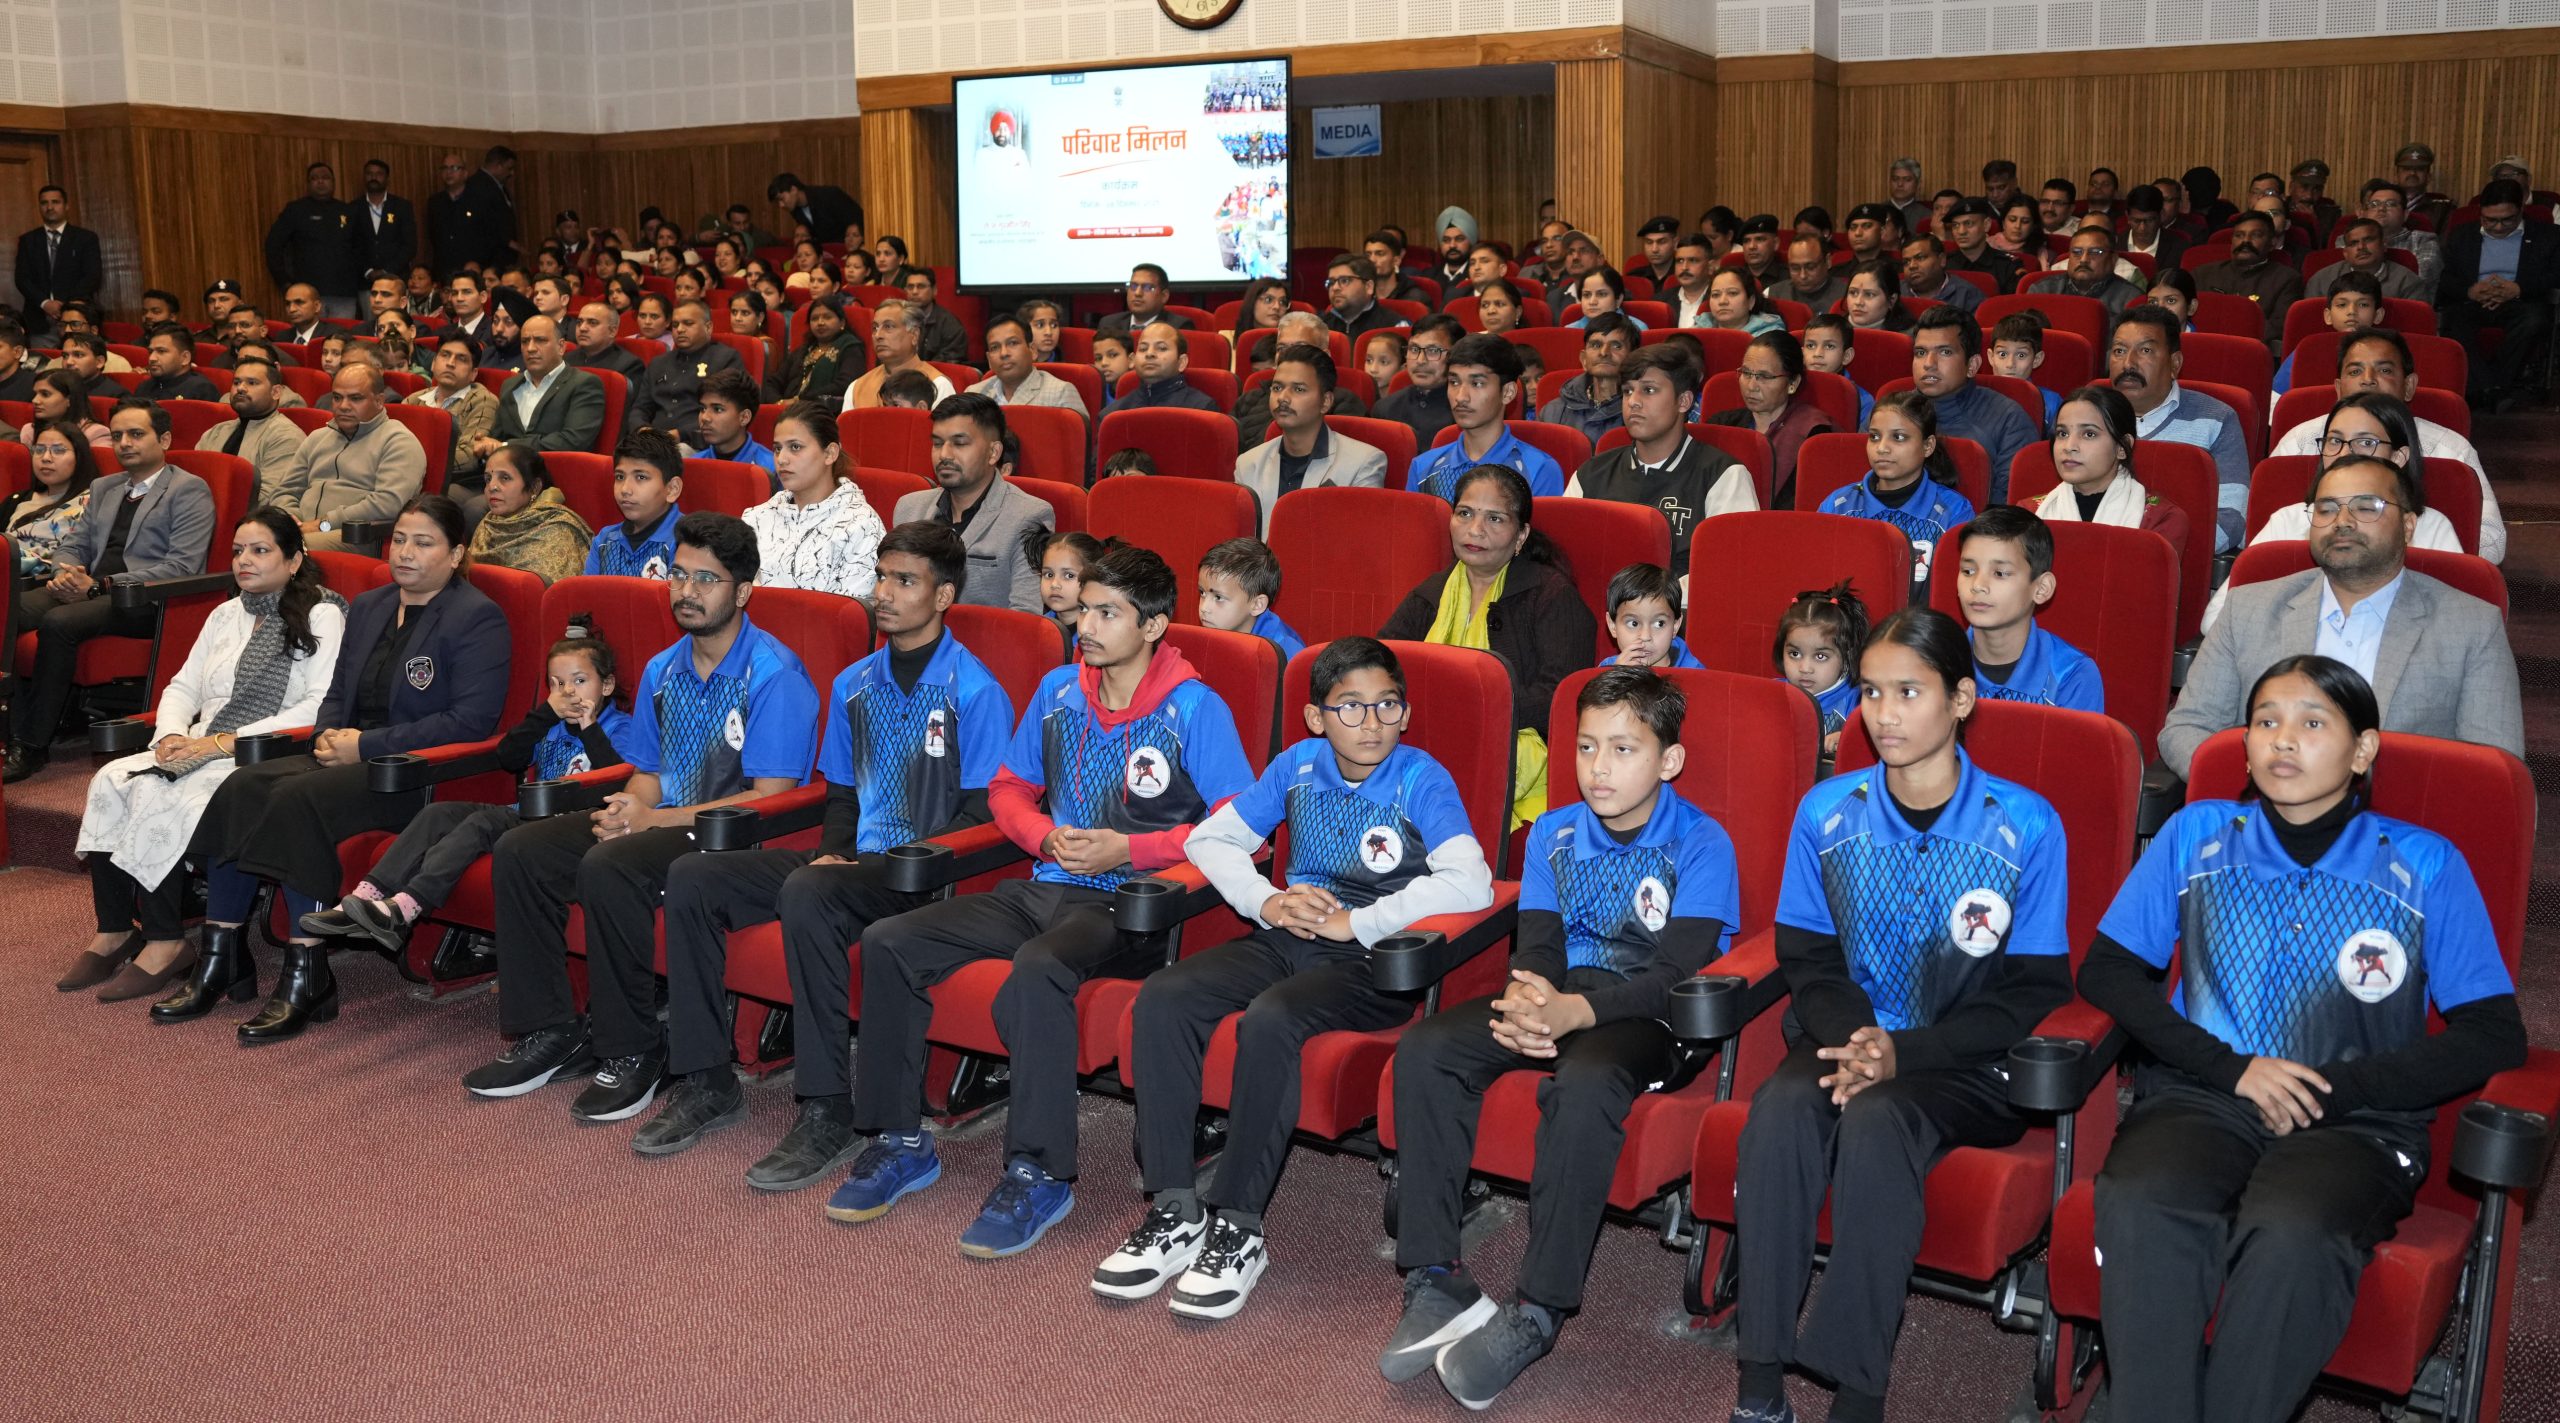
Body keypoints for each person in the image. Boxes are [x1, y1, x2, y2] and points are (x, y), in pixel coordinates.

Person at [2082, 654, 2526, 1423]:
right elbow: (2108, 971)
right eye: (2266, 721)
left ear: (2363, 750)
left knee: (2292, 1232)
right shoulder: (2195, 834)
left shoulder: (2423, 863)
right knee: (2142, 1198)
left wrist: (2336, 1088)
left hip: (2356, 1121)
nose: (2283, 738)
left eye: (2312, 722)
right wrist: (2233, 1068)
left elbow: (2493, 1033)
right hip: (2206, 1093)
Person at [829, 544, 1254, 1255]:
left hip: (1133, 905)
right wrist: (1044, 834)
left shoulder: (1194, 707)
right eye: (1084, 609)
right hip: (1046, 884)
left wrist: (1130, 850)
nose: (1086, 625)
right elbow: (1006, 788)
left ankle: (1039, 1171)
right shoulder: (1060, 690)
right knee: (891, 942)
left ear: (1153, 625)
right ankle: (899, 1139)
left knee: (1040, 965)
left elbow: (1240, 826)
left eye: (1107, 613)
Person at [1731, 605, 2072, 1423]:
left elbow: (2031, 990)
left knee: (1880, 1119)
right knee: (1780, 1110)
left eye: (1909, 692)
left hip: (1966, 1062)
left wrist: (1902, 1053)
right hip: (1846, 1035)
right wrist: (1860, 1040)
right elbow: (1808, 957)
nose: (1883, 713)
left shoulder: (2026, 823)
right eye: (1873, 691)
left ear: (1961, 699)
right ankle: (1760, 1383)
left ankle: (1858, 1394)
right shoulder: (1827, 811)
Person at [1101, 636, 1494, 1318]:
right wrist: (1267, 901)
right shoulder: (1297, 765)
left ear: (1404, 714)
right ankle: (1174, 1208)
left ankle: (1239, 1226)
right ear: (1316, 717)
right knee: (1165, 995)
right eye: (1350, 707)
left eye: (1387, 706)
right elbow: (1210, 839)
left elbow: (1472, 880)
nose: (1371, 723)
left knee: (1273, 1018)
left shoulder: (1419, 777)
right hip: (1286, 937)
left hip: (1372, 963)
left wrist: (1360, 921)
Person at [1383, 667, 1739, 1407]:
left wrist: (1575, 1011)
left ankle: (1539, 1309)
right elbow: (1541, 945)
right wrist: (1528, 993)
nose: (1598, 767)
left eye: (1622, 749)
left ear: (1668, 760)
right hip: (1562, 1000)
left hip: (1651, 1022)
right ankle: (1436, 1276)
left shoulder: (1702, 842)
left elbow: (1675, 975)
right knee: (1428, 1048)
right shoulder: (1553, 830)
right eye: (1585, 747)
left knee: (1585, 1081)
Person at [637, 520, 1016, 1174]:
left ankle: (828, 1108)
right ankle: (706, 1079)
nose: (884, 593)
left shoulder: (975, 690)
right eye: (881, 577)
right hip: (853, 864)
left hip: (926, 876)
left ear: (944, 596)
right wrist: (836, 850)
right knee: (696, 876)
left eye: (905, 581)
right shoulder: (853, 683)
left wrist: (884, 863)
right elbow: (840, 794)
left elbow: (983, 812)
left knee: (810, 889)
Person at [463, 512, 821, 1116]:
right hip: (665, 823)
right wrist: (628, 807)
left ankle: (634, 1048)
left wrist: (650, 823)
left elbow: (770, 797)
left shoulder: (774, 674)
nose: (687, 590)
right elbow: (652, 773)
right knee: (523, 850)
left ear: (742, 591)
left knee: (612, 864)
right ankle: (551, 1028)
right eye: (678, 575)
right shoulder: (663, 668)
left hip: (736, 841)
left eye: (706, 579)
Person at [159, 496, 508, 1035]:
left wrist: (364, 746)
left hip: (410, 774)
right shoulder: (369, 605)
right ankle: (221, 955)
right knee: (243, 785)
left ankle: (309, 973)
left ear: (456, 554)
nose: (405, 553)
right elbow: (337, 691)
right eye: (399, 540)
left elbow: (470, 722)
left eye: (424, 543)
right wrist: (325, 735)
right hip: (344, 754)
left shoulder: (476, 617)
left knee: (295, 800)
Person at [65, 510, 348, 1000]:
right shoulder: (225, 613)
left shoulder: (322, 613)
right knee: (111, 779)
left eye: (260, 550)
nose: (244, 560)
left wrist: (222, 742)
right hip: (201, 742)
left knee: (162, 792)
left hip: (264, 750)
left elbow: (316, 705)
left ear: (294, 560)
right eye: (238, 551)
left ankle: (166, 941)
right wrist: (171, 735)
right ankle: (115, 929)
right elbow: (183, 686)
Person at [2157, 454, 2520, 781]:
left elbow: (2494, 769)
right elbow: (2188, 728)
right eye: (2326, 508)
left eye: (2366, 506)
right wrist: (2261, 787)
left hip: (2398, 825)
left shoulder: (2472, 627)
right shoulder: (2248, 609)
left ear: (2408, 526)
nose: (2342, 521)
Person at [297, 635, 637, 960]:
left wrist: (590, 728)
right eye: (557, 684)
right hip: (526, 813)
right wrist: (545, 714)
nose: (568, 692)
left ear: (606, 685)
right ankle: (363, 898)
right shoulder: (549, 722)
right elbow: (510, 756)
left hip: (565, 828)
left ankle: (405, 908)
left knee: (481, 822)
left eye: (579, 681)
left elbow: (616, 779)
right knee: (438, 813)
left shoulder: (621, 727)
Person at [5, 401, 217, 781]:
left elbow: (182, 567)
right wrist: (66, 573)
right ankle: (13, 725)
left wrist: (99, 586)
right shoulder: (105, 487)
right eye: (117, 435)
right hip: (88, 589)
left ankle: (32, 745)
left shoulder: (188, 489)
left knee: (59, 622)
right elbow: (73, 545)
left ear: (164, 439)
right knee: (7, 610)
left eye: (136, 434)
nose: (124, 443)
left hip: (145, 601)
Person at [1382, 465, 1590, 827]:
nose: (1475, 529)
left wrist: (1469, 713)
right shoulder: (1430, 594)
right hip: (1427, 738)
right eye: (1464, 513)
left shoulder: (1552, 597)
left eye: (1494, 518)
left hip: (1518, 749)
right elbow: (1376, 665)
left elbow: (1561, 695)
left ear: (1521, 534)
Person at [2270, 328, 2501, 562]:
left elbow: (2491, 542)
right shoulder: (2299, 441)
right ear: (2338, 388)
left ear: (2409, 385)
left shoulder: (2451, 449)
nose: (2367, 379)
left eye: (2384, 370)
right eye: (2355, 371)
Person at [1563, 345, 1750, 574]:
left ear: (1683, 401)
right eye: (1627, 391)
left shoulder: (1724, 476)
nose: (1633, 401)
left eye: (1649, 390)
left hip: (1682, 597)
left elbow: (1729, 570)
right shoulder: (1590, 475)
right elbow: (1564, 559)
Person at [886, 393, 1054, 613]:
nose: (944, 454)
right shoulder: (909, 509)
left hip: (988, 635)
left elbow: (1025, 615)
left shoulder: (1028, 516)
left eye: (959, 443)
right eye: (937, 443)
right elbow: (887, 594)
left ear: (993, 452)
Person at [2103, 305, 2252, 552]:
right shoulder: (2086, 415)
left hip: (2178, 561)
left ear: (2175, 363)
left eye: (2145, 350)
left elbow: (2230, 520)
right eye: (2119, 350)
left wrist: (2148, 553)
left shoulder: (2216, 420)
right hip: (2094, 552)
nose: (2128, 363)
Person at [1818, 390, 1977, 600]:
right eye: (1874, 437)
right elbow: (1819, 581)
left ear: (1928, 446)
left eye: (1899, 437)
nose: (1882, 448)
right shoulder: (1838, 506)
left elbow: (1951, 594)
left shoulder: (1954, 512)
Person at [1951, 504, 2103, 712]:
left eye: (2000, 573)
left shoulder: (2071, 675)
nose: (1977, 585)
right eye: (1968, 571)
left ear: (2041, 588)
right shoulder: (1938, 665)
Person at [271, 361, 427, 553]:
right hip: (305, 530)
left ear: (379, 401)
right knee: (252, 538)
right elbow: (285, 491)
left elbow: (388, 504)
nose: (343, 406)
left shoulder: (399, 441)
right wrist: (293, 520)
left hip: (356, 535)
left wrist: (323, 524)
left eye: (355, 398)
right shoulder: (317, 437)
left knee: (278, 548)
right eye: (337, 398)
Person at [1232, 343, 1385, 535]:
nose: (1283, 398)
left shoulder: (1363, 463)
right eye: (1277, 387)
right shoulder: (1248, 463)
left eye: (1299, 389)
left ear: (1326, 402)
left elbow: (1358, 540)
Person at [2035, 385, 2191, 570]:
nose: (2069, 446)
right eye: (2062, 433)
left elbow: (2146, 586)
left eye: (2089, 434)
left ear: (2122, 447)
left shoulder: (2161, 520)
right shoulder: (2028, 514)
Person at [2437, 178, 2557, 411]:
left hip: (2522, 302)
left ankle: (2485, 389)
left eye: (2507, 219)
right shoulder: (2462, 235)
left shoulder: (2548, 235)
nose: (2499, 227)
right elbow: (2446, 280)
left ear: (2521, 210)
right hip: (2473, 301)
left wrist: (2519, 289)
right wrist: (2470, 291)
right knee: (2453, 321)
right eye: (2490, 220)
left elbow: (2555, 276)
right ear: (2480, 213)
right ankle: (2495, 390)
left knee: (2534, 321)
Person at [745, 400, 886, 597]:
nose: (781, 459)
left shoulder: (861, 526)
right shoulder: (756, 518)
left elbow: (850, 611)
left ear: (830, 453)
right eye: (777, 448)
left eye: (795, 447)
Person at [1405, 335, 1562, 502]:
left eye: (1477, 384)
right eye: (1454, 382)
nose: (1461, 397)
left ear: (1508, 392)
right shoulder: (1423, 467)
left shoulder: (1539, 470)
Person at [1908, 307, 2035, 503]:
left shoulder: (2009, 420)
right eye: (1921, 352)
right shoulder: (1890, 411)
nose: (1929, 363)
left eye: (1945, 352)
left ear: (1973, 365)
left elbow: (2007, 510)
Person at [1706, 331, 1836, 507]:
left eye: (1764, 377)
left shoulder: (1812, 432)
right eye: (1746, 373)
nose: (1751, 386)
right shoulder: (1721, 425)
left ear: (1793, 383)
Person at [482, 314, 606, 462]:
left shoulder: (584, 384)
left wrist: (506, 446)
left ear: (561, 347)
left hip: (556, 471)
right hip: (504, 471)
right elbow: (496, 437)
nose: (530, 348)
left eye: (540, 340)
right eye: (525, 341)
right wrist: (486, 446)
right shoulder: (510, 385)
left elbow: (572, 440)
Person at [466, 443, 591, 584]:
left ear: (534, 487)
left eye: (505, 478)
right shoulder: (488, 524)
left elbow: (557, 594)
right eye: (488, 479)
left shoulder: (557, 528)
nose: (491, 487)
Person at [629, 299, 746, 448]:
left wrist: (680, 434)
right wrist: (642, 429)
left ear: (708, 327)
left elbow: (724, 411)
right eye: (675, 325)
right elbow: (640, 408)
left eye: (688, 324)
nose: (680, 329)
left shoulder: (725, 359)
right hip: (654, 441)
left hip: (696, 441)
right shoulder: (658, 363)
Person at [1773, 580, 1869, 755]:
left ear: (1847, 655)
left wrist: (1849, 739)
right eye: (1794, 654)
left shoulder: (1858, 701)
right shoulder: (1773, 693)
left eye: (1820, 656)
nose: (1805, 668)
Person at [194, 357, 304, 501]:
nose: (240, 388)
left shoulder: (287, 437)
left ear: (276, 392)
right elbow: (192, 484)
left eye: (252, 383)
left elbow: (268, 499)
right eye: (236, 382)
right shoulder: (216, 432)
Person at [263, 162, 362, 319]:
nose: (320, 181)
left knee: (342, 333)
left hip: (343, 293)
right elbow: (274, 245)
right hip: (306, 293)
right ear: (308, 184)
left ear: (333, 182)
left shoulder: (348, 211)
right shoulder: (296, 210)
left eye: (325, 178)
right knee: (309, 333)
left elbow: (360, 249)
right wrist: (284, 281)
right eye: (314, 178)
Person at [583, 428, 686, 577]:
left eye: (641, 477)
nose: (625, 489)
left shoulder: (687, 542)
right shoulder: (604, 540)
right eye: (620, 477)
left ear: (672, 489)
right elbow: (588, 592)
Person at [2193, 211, 2304, 346]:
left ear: (2272, 243)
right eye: (2239, 235)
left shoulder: (2286, 279)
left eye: (2255, 235)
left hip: (2251, 350)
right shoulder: (2203, 274)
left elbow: (2278, 326)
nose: (2245, 241)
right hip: (2202, 345)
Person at [409, 331, 498, 497]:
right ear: (433, 364)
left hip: (458, 483)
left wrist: (410, 461)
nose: (450, 363)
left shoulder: (482, 400)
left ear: (473, 373)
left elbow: (469, 457)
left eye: (461, 359)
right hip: (408, 475)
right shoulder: (413, 400)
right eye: (445, 355)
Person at [1193, 536, 1303, 662]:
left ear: (1257, 605)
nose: (1204, 608)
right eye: (1202, 593)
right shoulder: (1214, 632)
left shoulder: (1284, 655)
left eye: (1218, 597)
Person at [2274, 270, 2384, 393]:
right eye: (2342, 305)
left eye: (2363, 305)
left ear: (2378, 315)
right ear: (2328, 316)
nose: (2352, 311)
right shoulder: (2308, 350)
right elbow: (2276, 397)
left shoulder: (2388, 351)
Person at [15, 184, 102, 338]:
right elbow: (22, 279)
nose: (50, 207)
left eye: (55, 202)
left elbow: (92, 276)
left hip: (77, 319)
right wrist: (45, 303)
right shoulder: (28, 240)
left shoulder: (85, 238)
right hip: (38, 320)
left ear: (66, 206)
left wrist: (64, 304)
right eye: (44, 203)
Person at [841, 300, 955, 411]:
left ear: (914, 335)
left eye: (888, 327)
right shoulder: (857, 388)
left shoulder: (937, 385)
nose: (878, 335)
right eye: (875, 328)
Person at [2026, 224, 2144, 321]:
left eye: (2095, 252)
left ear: (2113, 259)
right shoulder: (2042, 290)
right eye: (2076, 252)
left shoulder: (2131, 299)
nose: (2083, 259)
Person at [1375, 314, 1461, 446]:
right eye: (1414, 349)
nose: (1420, 360)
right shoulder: (1385, 409)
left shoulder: (1466, 411)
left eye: (1433, 350)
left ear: (1455, 355)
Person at [1103, 319, 1219, 417]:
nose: (1149, 354)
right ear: (1133, 360)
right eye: (1143, 349)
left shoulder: (1202, 409)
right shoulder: (1113, 414)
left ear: (1181, 362)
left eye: (1162, 348)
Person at [968, 313, 1083, 411]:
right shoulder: (974, 394)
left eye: (1012, 343)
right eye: (995, 347)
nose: (1004, 353)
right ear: (989, 359)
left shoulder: (1060, 393)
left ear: (1033, 350)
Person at [1600, 562, 1704, 669]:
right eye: (1634, 623)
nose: (1645, 637)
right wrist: (1616, 676)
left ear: (1675, 626)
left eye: (1659, 624)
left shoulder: (1694, 672)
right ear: (1612, 626)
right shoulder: (1606, 669)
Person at [769, 295, 866, 406]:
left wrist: (800, 400)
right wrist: (778, 402)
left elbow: (845, 385)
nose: (820, 322)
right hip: (788, 409)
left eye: (827, 317)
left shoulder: (850, 347)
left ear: (842, 323)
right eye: (814, 319)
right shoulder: (803, 350)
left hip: (823, 410)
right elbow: (773, 382)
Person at [2308, 217, 2427, 302]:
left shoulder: (2408, 282)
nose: (2361, 247)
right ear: (2345, 253)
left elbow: (2415, 325)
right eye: (2353, 243)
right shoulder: (2321, 280)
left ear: (2384, 245)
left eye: (2368, 240)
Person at [1022, 527, 1101, 655]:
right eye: (1048, 574)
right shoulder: (1036, 628)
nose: (1054, 584)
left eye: (1069, 575)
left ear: (1093, 579)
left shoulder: (1100, 633)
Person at [688, 369, 773, 478]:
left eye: (718, 409)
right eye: (703, 409)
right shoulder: (694, 465)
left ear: (744, 417)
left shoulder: (771, 468)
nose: (705, 417)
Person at [1987, 314, 2063, 427]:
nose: (2010, 364)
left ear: (2037, 359)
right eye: (2002, 354)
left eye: (2021, 355)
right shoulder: (1975, 398)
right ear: (1991, 357)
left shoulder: (2051, 404)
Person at [768, 173, 861, 255]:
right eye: (777, 202)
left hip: (850, 250)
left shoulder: (830, 195)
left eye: (782, 199)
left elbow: (858, 219)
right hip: (825, 254)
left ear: (793, 190)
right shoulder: (795, 210)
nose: (781, 205)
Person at [1099, 263, 1192, 340]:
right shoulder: (1109, 324)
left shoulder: (1177, 327)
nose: (1137, 293)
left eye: (1147, 287)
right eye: (1133, 286)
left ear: (1164, 296)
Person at [132, 324, 220, 403]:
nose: (152, 358)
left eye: (161, 351)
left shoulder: (201, 389)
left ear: (185, 358)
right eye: (150, 351)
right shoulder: (144, 387)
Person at [1322, 256, 1403, 342]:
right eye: (1331, 282)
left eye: (1344, 281)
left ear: (1369, 287)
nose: (1335, 287)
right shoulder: (1321, 325)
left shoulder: (1393, 327)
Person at [1900, 234, 1984, 314]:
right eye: (1906, 262)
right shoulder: (1896, 293)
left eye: (1920, 258)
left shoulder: (1968, 296)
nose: (1912, 266)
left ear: (1942, 260)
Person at [1768, 236, 1848, 317]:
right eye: (1795, 268)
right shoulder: (1772, 295)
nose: (1803, 276)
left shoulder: (1847, 295)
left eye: (1810, 267)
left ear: (1828, 261)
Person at [571, 301, 646, 384]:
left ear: (612, 331)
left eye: (592, 323)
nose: (582, 328)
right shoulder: (567, 359)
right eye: (579, 322)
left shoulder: (629, 365)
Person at [1706, 269, 1785, 336]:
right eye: (1715, 295)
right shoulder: (1700, 328)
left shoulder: (1770, 335)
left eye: (1733, 293)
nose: (1722, 301)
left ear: (1751, 302)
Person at [1840, 263, 1913, 333]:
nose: (1858, 302)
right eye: (1853, 293)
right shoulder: (1835, 331)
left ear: (1892, 300)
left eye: (1869, 294)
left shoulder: (1910, 337)